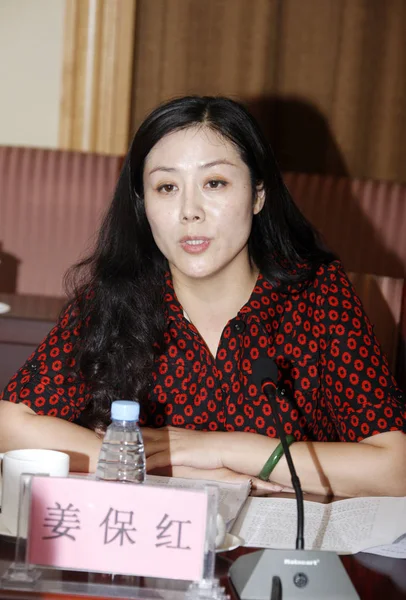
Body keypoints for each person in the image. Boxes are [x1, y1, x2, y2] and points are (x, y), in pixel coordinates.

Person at [1, 96, 405, 497]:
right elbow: (11, 423)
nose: (189, 211)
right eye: (167, 187)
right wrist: (168, 465)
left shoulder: (317, 294)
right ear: (144, 206)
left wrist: (217, 447)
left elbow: (396, 468)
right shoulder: (115, 298)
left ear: (258, 194)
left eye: (215, 183)